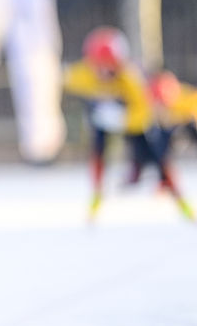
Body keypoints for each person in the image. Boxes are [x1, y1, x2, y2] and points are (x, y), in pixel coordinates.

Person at [63, 28, 192, 221]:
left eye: (110, 67)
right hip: (103, 120)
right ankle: (96, 197)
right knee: (98, 147)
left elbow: (143, 113)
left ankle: (179, 198)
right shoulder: (81, 74)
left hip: (133, 122)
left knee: (157, 154)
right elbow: (62, 79)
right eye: (100, 66)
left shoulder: (131, 79)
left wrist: (121, 119)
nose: (104, 72)